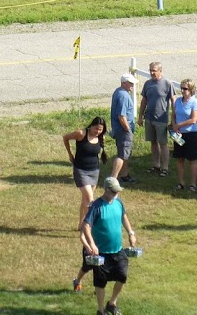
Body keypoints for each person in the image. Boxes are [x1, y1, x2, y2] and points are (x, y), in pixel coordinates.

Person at [81, 176, 137, 315]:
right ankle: (101, 311)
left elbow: (124, 216)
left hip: (117, 250)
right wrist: (92, 244)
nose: (116, 194)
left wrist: (131, 233)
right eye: (113, 191)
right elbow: (86, 226)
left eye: (117, 191)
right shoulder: (96, 206)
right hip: (101, 252)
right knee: (100, 282)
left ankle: (112, 303)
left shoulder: (118, 202)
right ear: (106, 189)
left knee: (122, 276)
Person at [64, 116, 108, 292]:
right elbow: (65, 137)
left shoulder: (100, 137)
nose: (98, 131)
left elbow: (98, 150)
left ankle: (80, 222)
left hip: (94, 171)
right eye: (96, 128)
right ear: (91, 126)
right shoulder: (81, 133)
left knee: (85, 201)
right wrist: (70, 154)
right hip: (80, 170)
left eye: (101, 130)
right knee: (90, 200)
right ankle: (86, 226)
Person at [138, 61, 178, 177]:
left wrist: (173, 118)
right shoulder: (148, 84)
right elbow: (144, 100)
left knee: (163, 143)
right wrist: (140, 116)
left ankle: (165, 167)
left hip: (161, 119)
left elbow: (173, 101)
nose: (151, 72)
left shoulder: (167, 84)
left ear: (160, 71)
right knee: (153, 142)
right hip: (149, 118)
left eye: (154, 70)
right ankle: (156, 165)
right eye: (150, 70)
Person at [171, 78, 197, 192]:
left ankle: (192, 184)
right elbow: (173, 115)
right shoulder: (178, 101)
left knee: (192, 160)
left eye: (185, 89)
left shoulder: (195, 102)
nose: (182, 91)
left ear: (191, 89)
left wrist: (179, 125)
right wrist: (174, 125)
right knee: (179, 159)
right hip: (178, 134)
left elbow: (193, 119)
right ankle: (181, 183)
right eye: (181, 88)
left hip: (190, 134)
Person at [109, 73, 136, 184]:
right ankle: (112, 179)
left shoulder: (118, 91)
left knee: (125, 154)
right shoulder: (124, 96)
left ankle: (124, 175)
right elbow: (121, 116)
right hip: (123, 130)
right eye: (130, 83)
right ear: (124, 83)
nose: (132, 85)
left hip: (119, 129)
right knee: (122, 155)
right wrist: (128, 129)